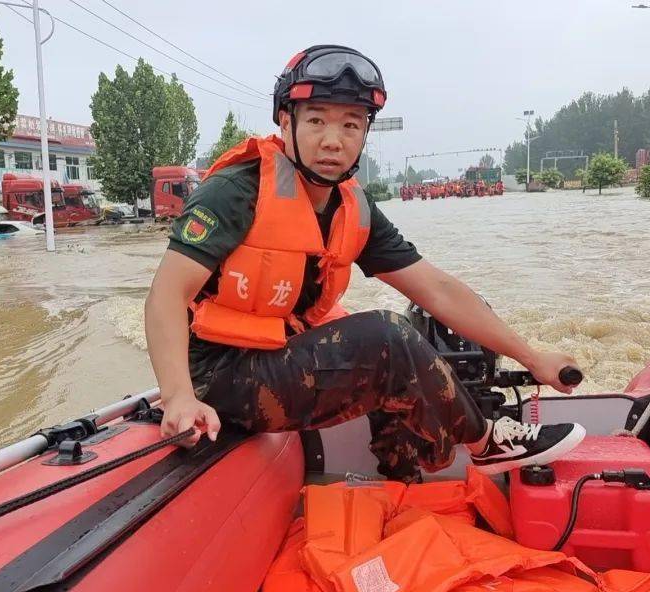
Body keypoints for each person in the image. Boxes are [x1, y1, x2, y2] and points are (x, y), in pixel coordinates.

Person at [144, 44, 585, 481]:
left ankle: (401, 476)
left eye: (351, 125)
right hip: (218, 376)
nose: (333, 140)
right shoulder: (236, 192)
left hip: (275, 355)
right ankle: (486, 443)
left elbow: (436, 290)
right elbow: (166, 295)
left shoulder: (353, 207)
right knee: (385, 337)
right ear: (286, 122)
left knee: (405, 336)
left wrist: (532, 357)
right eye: (316, 121)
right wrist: (179, 395)